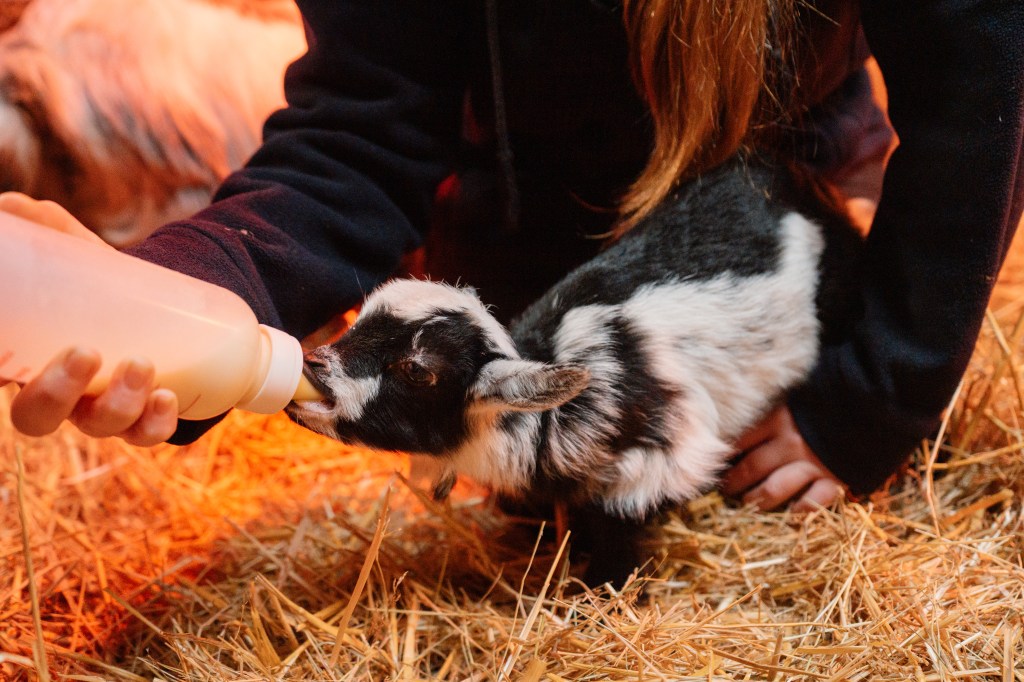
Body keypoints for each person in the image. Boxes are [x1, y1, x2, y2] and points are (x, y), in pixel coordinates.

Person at [3, 1, 1022, 513]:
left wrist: (875, 389)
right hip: (515, 292)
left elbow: (982, 89)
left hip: (780, 278)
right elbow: (361, 132)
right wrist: (187, 286)